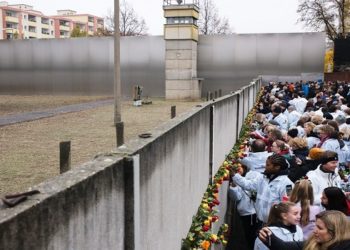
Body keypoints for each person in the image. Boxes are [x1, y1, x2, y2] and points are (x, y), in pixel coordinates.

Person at [231, 154, 294, 223]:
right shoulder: (263, 177)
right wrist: (235, 175)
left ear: (277, 167)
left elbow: (288, 205)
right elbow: (248, 185)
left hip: (276, 223)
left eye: (268, 165)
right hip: (261, 220)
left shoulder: (287, 184)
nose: (265, 166)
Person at [257, 210, 350, 250]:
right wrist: (268, 236)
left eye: (320, 228)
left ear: (336, 231)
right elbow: (283, 247)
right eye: (316, 226)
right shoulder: (313, 241)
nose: (314, 231)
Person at [229, 165, 260, 250]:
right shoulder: (237, 181)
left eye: (239, 167)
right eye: (236, 168)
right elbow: (236, 197)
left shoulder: (254, 176)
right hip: (246, 213)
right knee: (248, 236)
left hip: (256, 213)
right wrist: (234, 186)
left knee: (255, 236)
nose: (238, 169)